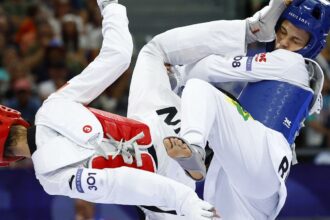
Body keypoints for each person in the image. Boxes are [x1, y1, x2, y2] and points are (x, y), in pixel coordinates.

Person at [0, 1, 217, 219]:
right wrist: (110, 5)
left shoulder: (50, 177)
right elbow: (118, 56)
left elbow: (118, 183)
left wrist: (184, 202)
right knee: (155, 51)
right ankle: (246, 31)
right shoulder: (54, 105)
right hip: (169, 127)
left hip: (169, 192)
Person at [128, 0, 329, 219]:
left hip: (262, 158)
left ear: (311, 45)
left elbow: (206, 70)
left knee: (200, 89)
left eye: (295, 40)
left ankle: (194, 146)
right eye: (282, 32)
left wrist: (178, 72)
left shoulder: (290, 63)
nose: (283, 43)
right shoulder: (293, 74)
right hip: (256, 189)